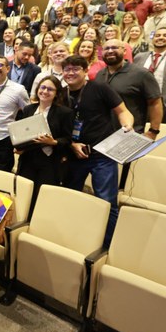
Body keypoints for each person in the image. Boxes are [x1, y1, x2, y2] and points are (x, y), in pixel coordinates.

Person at [61, 55, 134, 247]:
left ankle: (107, 246)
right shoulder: (61, 94)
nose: (70, 73)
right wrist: (71, 145)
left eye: (75, 69)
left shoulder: (100, 88)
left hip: (102, 154)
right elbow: (59, 128)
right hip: (74, 154)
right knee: (69, 197)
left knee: (107, 203)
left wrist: (127, 127)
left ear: (85, 71)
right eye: (66, 69)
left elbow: (123, 111)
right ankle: (70, 236)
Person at [15, 76, 73, 214]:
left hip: (49, 162)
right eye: (43, 87)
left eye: (50, 89)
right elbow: (22, 133)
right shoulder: (28, 109)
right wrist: (19, 147)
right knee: (23, 196)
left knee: (41, 198)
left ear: (57, 93)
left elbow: (68, 139)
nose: (45, 91)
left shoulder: (64, 113)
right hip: (28, 159)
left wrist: (53, 142)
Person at [98, 40, 163, 137]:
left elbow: (155, 103)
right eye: (106, 48)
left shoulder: (142, 74)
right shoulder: (100, 74)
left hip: (130, 133)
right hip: (103, 133)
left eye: (115, 47)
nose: (110, 51)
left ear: (124, 51)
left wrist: (153, 131)